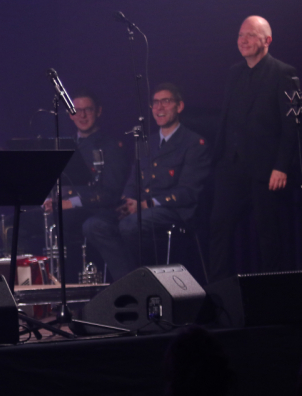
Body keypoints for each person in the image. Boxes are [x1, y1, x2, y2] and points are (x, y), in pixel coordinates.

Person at [83, 83, 211, 280]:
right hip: (141, 208)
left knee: (130, 225)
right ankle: (130, 280)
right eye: (155, 102)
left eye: (166, 101)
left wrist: (145, 204)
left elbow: (188, 192)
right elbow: (133, 180)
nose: (159, 107)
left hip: (173, 211)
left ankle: (144, 280)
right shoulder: (146, 142)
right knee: (94, 225)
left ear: (179, 106)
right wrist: (127, 202)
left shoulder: (193, 142)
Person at [208, 16, 298, 282]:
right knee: (219, 226)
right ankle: (219, 292)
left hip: (266, 170)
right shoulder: (234, 73)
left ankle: (273, 294)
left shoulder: (283, 73)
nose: (243, 40)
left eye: (250, 35)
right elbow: (227, 118)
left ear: (267, 40)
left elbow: (293, 126)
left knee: (268, 235)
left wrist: (281, 166)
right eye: (240, 35)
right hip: (231, 166)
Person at [42, 90, 129, 280]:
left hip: (96, 209)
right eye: (76, 110)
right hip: (64, 209)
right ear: (70, 114)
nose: (82, 115)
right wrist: (50, 199)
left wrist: (69, 203)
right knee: (20, 223)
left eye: (88, 109)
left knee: (63, 223)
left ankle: (71, 282)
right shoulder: (65, 144)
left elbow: (111, 192)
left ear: (98, 111)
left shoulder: (111, 145)